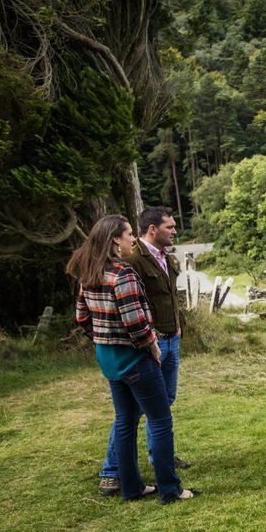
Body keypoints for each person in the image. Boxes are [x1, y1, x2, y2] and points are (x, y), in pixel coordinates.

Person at [68, 214, 196, 504]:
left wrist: (103, 338)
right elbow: (136, 323)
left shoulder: (89, 274)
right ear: (116, 240)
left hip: (109, 359)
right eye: (128, 235)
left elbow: (82, 318)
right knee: (161, 419)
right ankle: (170, 489)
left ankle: (131, 487)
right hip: (135, 357)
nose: (133, 240)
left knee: (125, 420)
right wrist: (152, 346)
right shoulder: (122, 274)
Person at [97, 206, 190, 495]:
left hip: (169, 337)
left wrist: (178, 326)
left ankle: (157, 456)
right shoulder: (132, 260)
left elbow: (169, 296)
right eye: (169, 227)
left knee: (164, 400)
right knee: (136, 412)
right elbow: (129, 308)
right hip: (148, 343)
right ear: (153, 229)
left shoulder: (166, 258)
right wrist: (147, 341)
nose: (174, 231)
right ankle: (112, 472)